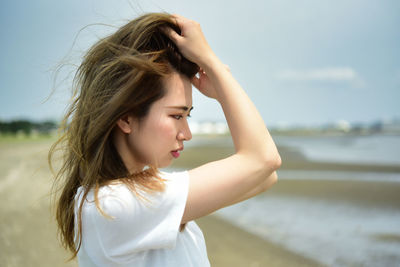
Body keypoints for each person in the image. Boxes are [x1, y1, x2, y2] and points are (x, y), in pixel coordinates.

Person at [49, 12, 281, 267]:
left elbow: (264, 176)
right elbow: (263, 160)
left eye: (187, 116)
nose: (187, 133)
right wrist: (212, 65)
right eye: (176, 115)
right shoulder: (112, 204)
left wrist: (220, 82)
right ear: (126, 118)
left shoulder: (138, 193)